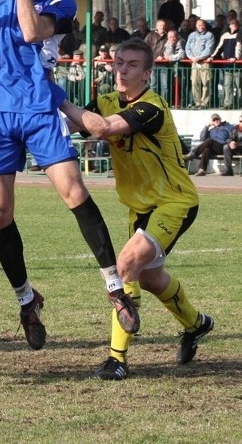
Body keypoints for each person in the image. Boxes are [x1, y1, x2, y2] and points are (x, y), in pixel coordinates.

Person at [0, 0, 139, 351]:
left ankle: (114, 286)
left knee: (75, 192)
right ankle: (26, 299)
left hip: (38, 106)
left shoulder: (63, 4)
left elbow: (33, 31)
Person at [61, 38, 214, 380]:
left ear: (147, 74)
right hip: (139, 207)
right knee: (151, 279)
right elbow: (70, 126)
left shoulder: (151, 107)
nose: (122, 70)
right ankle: (197, 323)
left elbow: (101, 128)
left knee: (125, 266)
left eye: (131, 65)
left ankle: (117, 359)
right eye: (118, 63)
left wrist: (58, 97)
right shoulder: (104, 101)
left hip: (174, 202)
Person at [209, 18, 240, 109]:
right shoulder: (225, 35)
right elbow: (219, 48)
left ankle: (239, 102)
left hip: (238, 65)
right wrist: (212, 56)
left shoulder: (240, 35)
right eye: (232, 24)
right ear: (229, 25)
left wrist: (236, 57)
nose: (233, 25)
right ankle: (228, 103)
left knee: (239, 85)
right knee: (227, 85)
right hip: (227, 64)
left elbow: (239, 48)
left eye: (235, 24)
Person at [185, 18, 216, 109]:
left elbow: (209, 49)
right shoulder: (192, 35)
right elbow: (187, 47)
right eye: (199, 25)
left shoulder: (209, 35)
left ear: (205, 25)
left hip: (205, 62)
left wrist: (199, 58)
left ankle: (204, 103)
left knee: (206, 82)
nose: (200, 27)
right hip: (194, 62)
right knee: (194, 82)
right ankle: (197, 102)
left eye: (202, 25)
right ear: (196, 26)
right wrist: (191, 57)